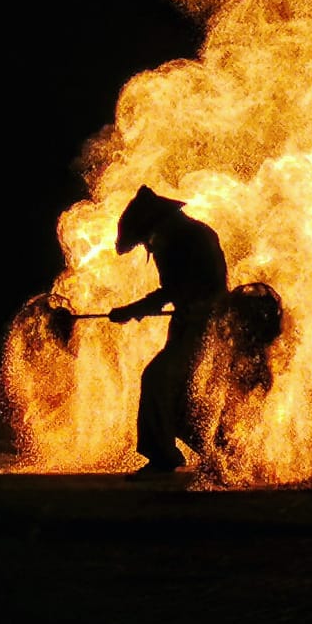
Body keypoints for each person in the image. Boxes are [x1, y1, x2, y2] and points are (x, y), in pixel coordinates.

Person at [109, 185, 228, 479]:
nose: (146, 245)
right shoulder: (181, 236)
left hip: (205, 324)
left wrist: (132, 310)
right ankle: (222, 454)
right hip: (191, 323)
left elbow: (176, 290)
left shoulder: (189, 239)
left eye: (144, 239)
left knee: (158, 379)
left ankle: (164, 458)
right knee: (181, 396)